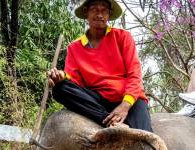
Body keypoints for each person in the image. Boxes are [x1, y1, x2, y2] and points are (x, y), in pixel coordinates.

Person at [46, 0, 151, 131]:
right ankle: (109, 120)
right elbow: (75, 82)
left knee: (147, 142)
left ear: (109, 14)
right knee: (59, 89)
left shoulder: (123, 37)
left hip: (127, 98)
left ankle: (121, 118)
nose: (99, 14)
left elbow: (135, 75)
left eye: (104, 10)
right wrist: (61, 77)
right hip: (97, 100)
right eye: (95, 9)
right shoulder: (74, 47)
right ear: (86, 12)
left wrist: (125, 105)